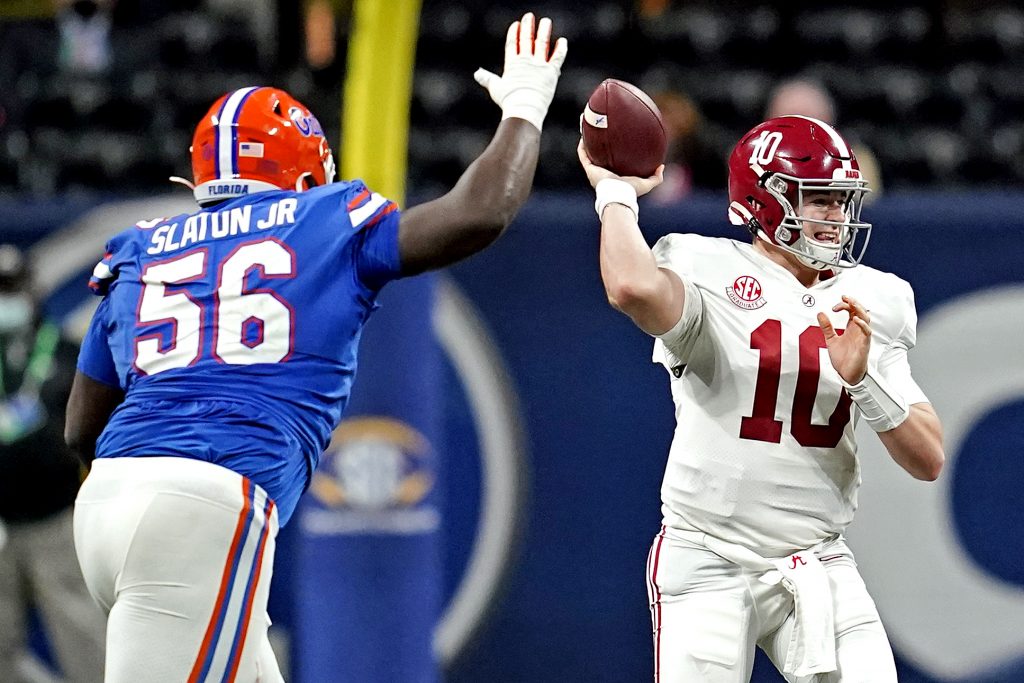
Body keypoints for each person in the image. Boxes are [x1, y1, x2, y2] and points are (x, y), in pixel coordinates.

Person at [65, 12, 566, 682]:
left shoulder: (142, 246)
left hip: (106, 509)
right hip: (206, 509)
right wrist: (525, 111)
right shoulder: (325, 217)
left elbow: (80, 427)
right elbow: (480, 212)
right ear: (306, 177)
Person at [578, 114, 944, 682]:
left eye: (841, 200)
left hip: (816, 556)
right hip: (709, 556)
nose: (835, 217)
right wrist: (615, 192)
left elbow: (928, 458)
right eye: (818, 199)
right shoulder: (708, 268)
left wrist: (863, 380)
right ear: (763, 200)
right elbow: (630, 285)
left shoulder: (875, 297)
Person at [0, 244, 107, 683]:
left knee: (84, 641)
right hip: (1, 526)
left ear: (31, 289)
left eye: (9, 288)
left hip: (55, 522)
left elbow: (89, 435)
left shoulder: (66, 353)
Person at [765, 78, 883, 201]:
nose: (800, 129)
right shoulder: (750, 157)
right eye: (790, 118)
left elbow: (865, 205)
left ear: (828, 121)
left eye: (808, 118)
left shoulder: (856, 157)